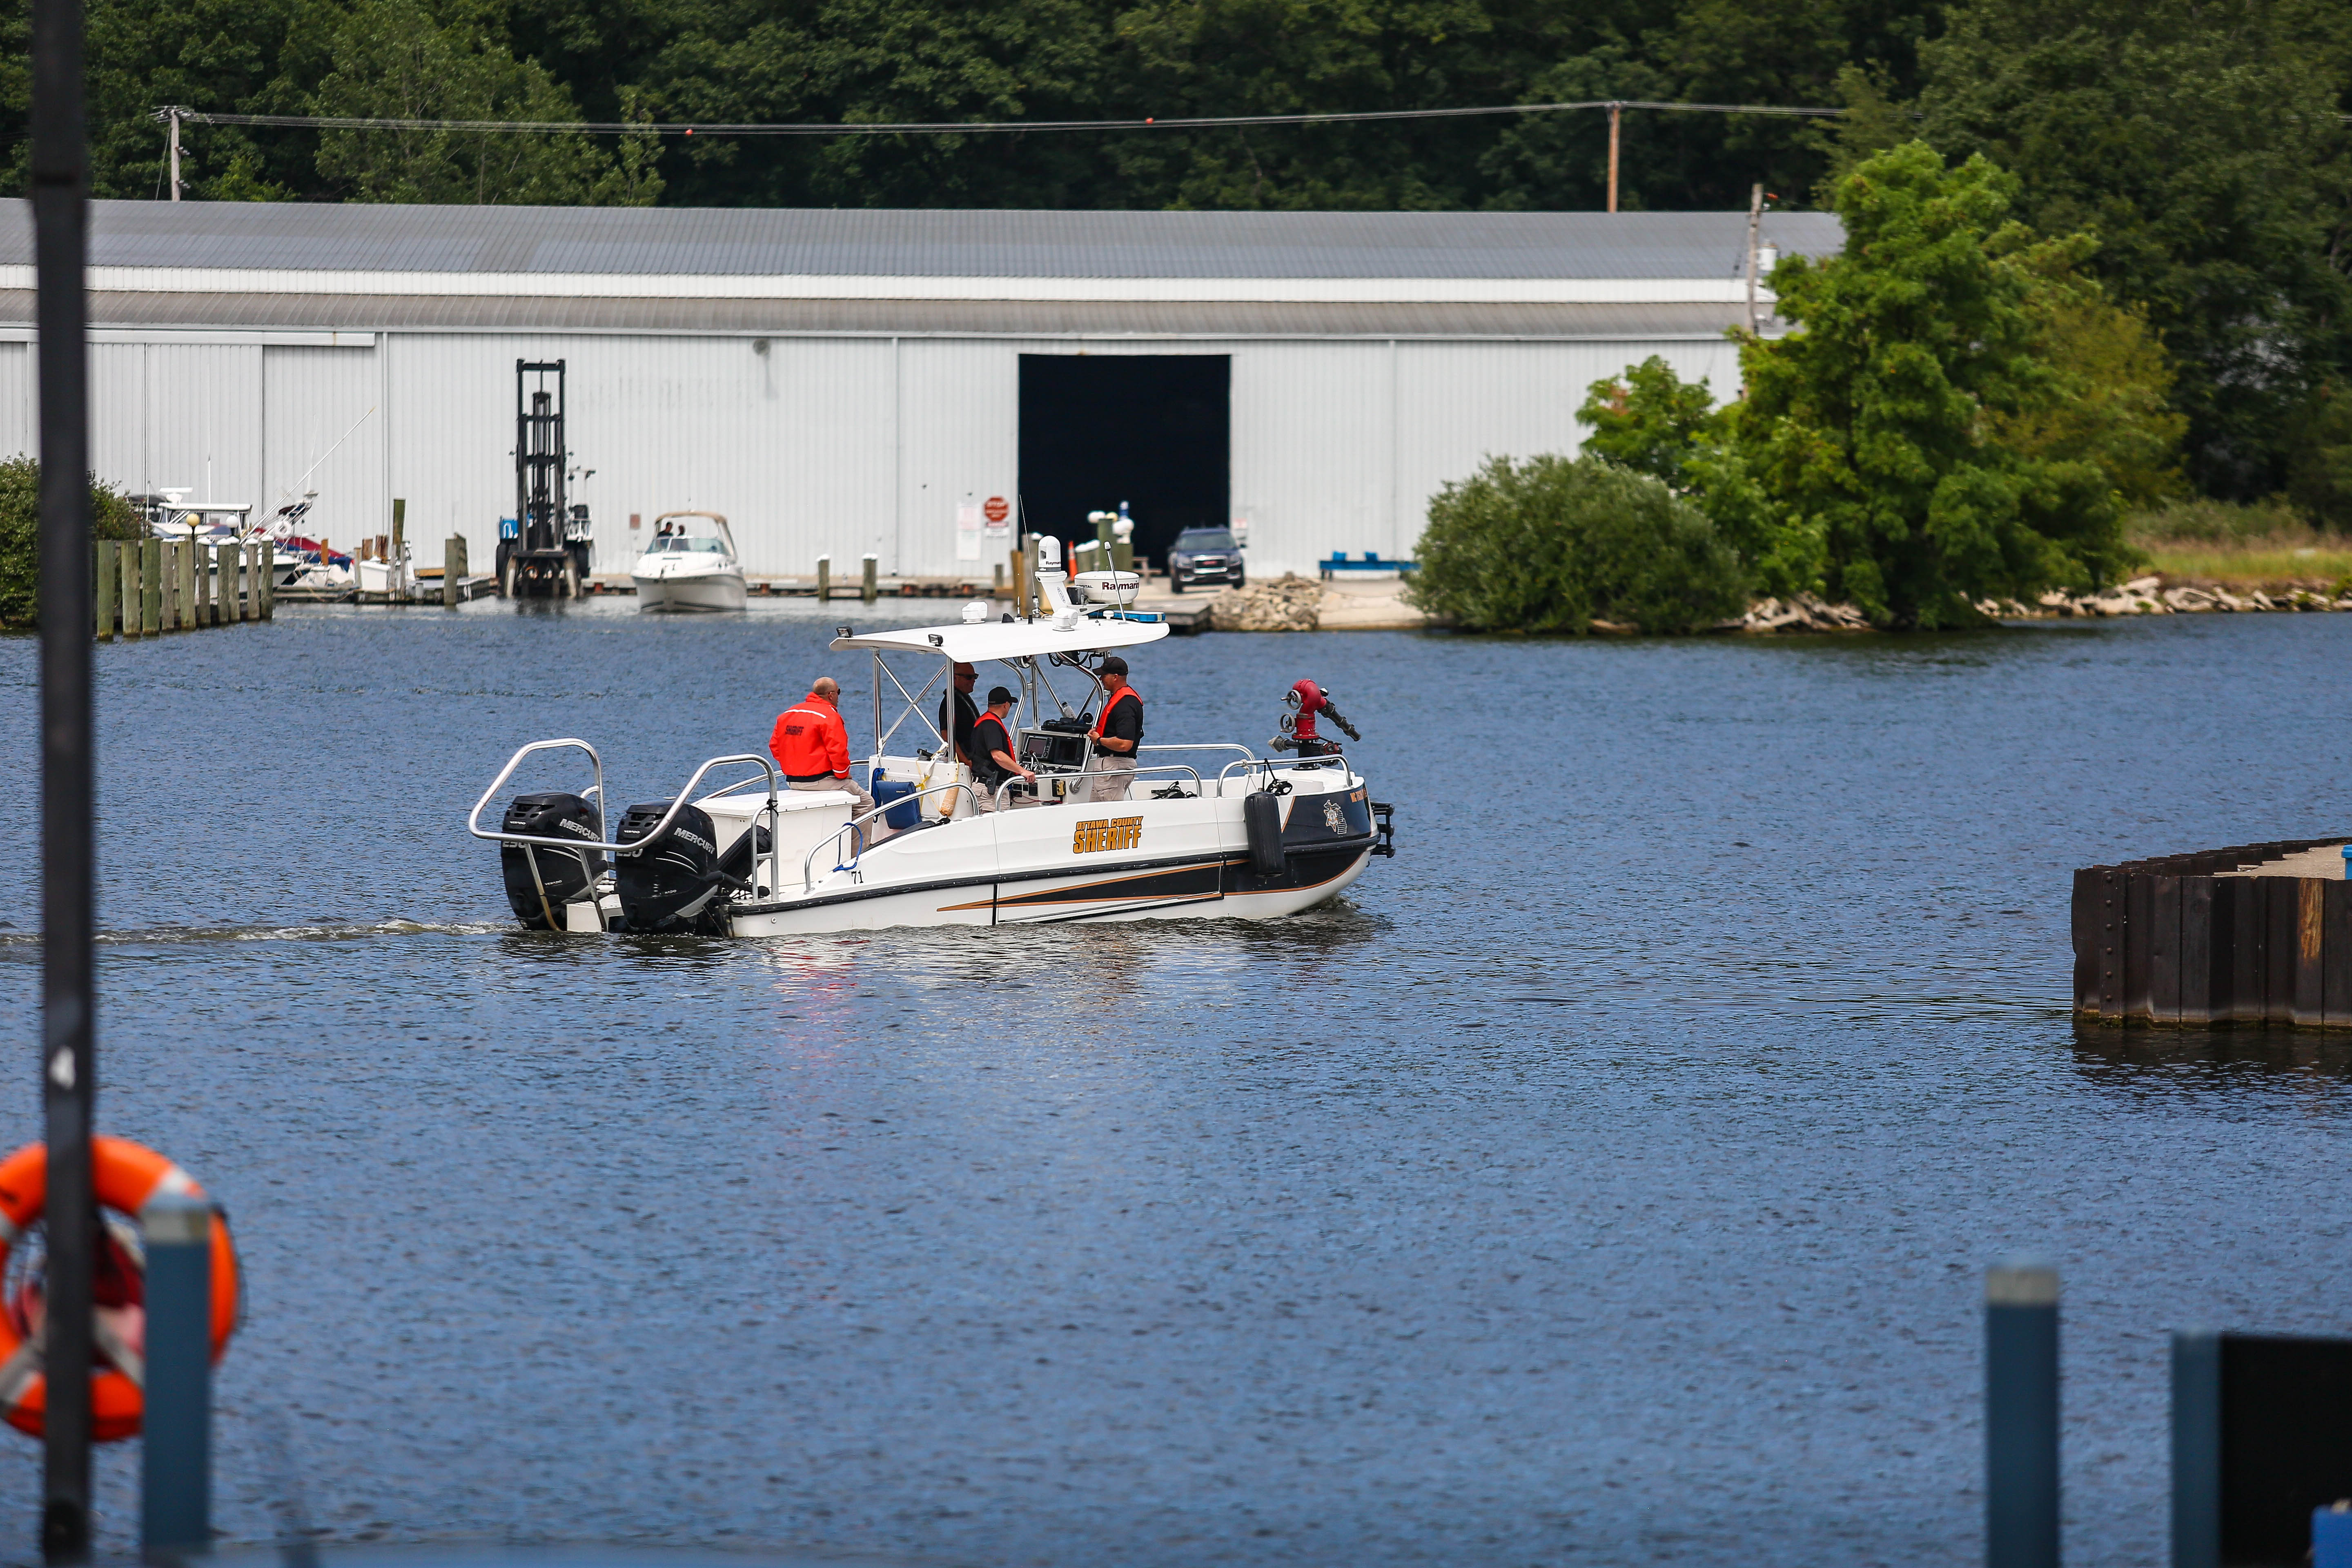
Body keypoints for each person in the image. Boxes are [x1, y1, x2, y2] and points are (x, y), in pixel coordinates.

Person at [769, 677, 875, 818]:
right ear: (831, 695)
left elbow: (775, 747)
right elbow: (838, 752)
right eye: (839, 692)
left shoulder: (788, 714)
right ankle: (859, 841)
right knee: (866, 803)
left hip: (792, 782)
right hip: (821, 781)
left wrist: (795, 767)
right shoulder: (829, 716)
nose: (839, 697)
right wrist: (843, 775)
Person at [968, 686, 1034, 811]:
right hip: (989, 791)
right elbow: (997, 755)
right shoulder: (991, 725)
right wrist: (1022, 771)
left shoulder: (985, 722)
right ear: (1006, 705)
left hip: (990, 787)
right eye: (1010, 705)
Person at [1087, 655, 1143, 803]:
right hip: (1110, 769)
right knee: (1093, 817)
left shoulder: (1125, 705)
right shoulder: (1123, 699)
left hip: (1114, 768)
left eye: (1104, 675)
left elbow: (1125, 744)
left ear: (1116, 677)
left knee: (1110, 818)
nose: (1101, 679)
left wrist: (1099, 740)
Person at [938, 662, 980, 770]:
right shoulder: (950, 703)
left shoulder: (963, 699)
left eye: (975, 677)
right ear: (955, 678)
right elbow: (946, 734)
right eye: (969, 677)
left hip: (975, 757)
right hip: (966, 761)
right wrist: (966, 762)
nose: (973, 681)